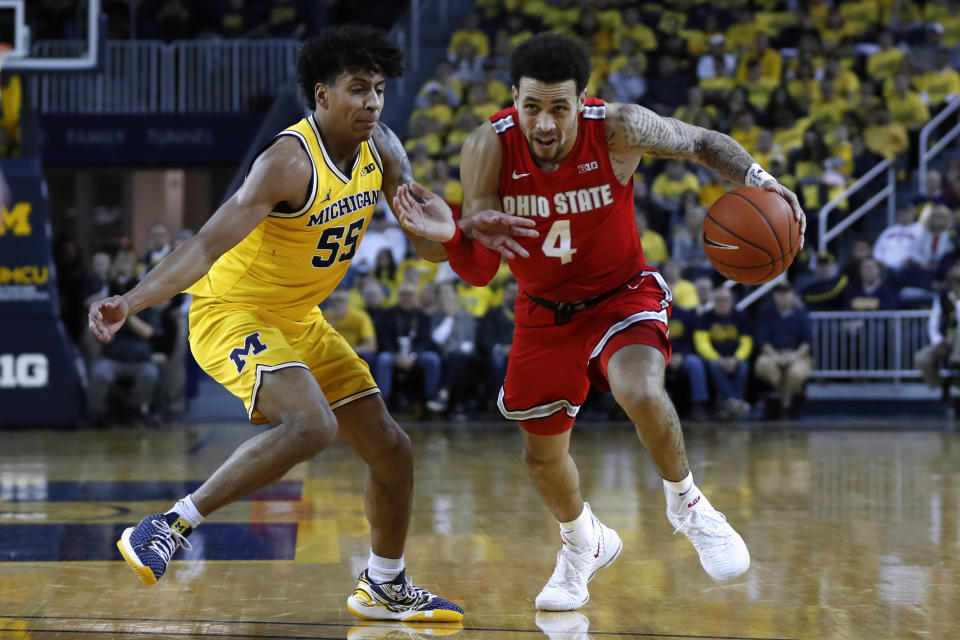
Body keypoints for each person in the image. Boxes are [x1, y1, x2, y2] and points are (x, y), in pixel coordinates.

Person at [86, 25, 497, 623]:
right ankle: (169, 525)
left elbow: (430, 251)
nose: (374, 103)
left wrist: (443, 233)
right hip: (232, 313)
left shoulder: (384, 149)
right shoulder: (286, 162)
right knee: (312, 425)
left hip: (299, 319)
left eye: (379, 89)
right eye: (359, 89)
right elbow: (204, 246)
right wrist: (132, 299)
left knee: (392, 450)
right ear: (323, 95)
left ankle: (384, 584)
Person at [393, 33, 806, 610]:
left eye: (558, 108)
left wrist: (761, 183)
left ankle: (689, 506)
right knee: (541, 458)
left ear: (581, 101)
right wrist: (446, 237)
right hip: (542, 312)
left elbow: (704, 141)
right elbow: (482, 269)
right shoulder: (486, 146)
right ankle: (581, 542)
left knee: (639, 388)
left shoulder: (619, 127)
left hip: (620, 294)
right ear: (513, 98)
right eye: (530, 106)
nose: (543, 123)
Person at [753, 283, 813, 418]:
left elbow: (807, 342)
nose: (783, 296)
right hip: (772, 354)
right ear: (774, 296)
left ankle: (785, 404)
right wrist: (776, 357)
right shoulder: (766, 313)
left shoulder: (802, 314)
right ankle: (794, 394)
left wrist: (793, 356)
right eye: (779, 293)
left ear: (793, 295)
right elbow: (762, 341)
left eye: (786, 293)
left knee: (795, 373)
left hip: (798, 355)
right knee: (764, 365)